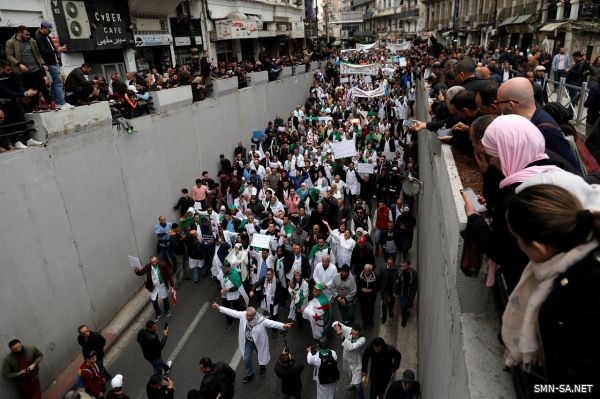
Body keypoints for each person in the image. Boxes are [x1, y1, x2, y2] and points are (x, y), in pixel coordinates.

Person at [503, 181, 600, 387]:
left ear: (538, 247)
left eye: (517, 239)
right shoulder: (583, 251)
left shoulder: (576, 291)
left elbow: (574, 375)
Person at [210, 302, 292, 383]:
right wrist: (219, 307)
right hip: (248, 342)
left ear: (254, 314)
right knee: (246, 359)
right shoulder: (243, 315)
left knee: (261, 356)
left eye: (249, 316)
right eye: (247, 315)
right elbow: (232, 312)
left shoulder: (261, 320)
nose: (247, 317)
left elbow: (272, 323)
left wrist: (283, 325)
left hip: (258, 343)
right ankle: (250, 374)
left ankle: (262, 367)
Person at [4, 26, 50, 107]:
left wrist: (43, 64)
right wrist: (19, 64)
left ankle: (50, 103)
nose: (28, 36)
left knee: (43, 87)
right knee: (32, 89)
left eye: (29, 34)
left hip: (36, 68)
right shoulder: (11, 42)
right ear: (19, 33)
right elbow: (9, 56)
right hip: (24, 71)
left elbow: (37, 54)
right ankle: (35, 106)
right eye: (26, 34)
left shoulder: (31, 41)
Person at [34, 20, 69, 108]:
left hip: (54, 61)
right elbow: (43, 51)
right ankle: (60, 103)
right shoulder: (39, 37)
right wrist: (57, 50)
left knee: (56, 83)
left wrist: (57, 53)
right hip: (50, 62)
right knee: (58, 83)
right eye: (48, 29)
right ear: (43, 27)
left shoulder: (47, 36)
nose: (49, 31)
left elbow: (52, 49)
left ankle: (58, 102)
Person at [134, 256, 174, 321]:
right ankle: (158, 313)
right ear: (150, 262)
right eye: (153, 262)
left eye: (155, 262)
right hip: (153, 287)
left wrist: (172, 284)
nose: (154, 263)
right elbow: (141, 273)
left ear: (157, 260)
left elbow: (168, 274)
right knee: (154, 301)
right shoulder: (147, 266)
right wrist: (137, 271)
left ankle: (167, 310)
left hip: (161, 285)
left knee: (165, 299)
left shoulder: (163, 265)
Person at [333, 321, 366, 397]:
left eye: (356, 334)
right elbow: (336, 323)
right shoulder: (349, 330)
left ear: (360, 333)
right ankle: (353, 385)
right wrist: (337, 326)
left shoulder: (362, 340)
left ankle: (360, 396)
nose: (354, 335)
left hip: (356, 362)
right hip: (347, 360)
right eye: (353, 333)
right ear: (351, 330)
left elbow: (351, 347)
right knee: (350, 374)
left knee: (358, 384)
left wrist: (341, 335)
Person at [356, 264, 380, 328]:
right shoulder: (359, 276)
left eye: (368, 271)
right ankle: (365, 322)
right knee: (363, 310)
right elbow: (356, 285)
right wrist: (361, 289)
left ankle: (371, 321)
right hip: (362, 297)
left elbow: (379, 287)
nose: (366, 273)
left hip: (371, 297)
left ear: (371, 270)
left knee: (371, 310)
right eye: (365, 271)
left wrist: (371, 290)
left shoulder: (376, 277)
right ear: (363, 269)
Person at [395, 260, 418, 327]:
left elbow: (415, 286)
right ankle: (404, 319)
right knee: (403, 307)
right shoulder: (400, 272)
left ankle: (405, 312)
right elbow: (396, 281)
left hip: (409, 294)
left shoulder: (413, 273)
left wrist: (412, 295)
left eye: (404, 266)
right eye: (402, 266)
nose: (403, 267)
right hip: (402, 293)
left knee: (407, 305)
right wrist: (396, 291)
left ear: (409, 266)